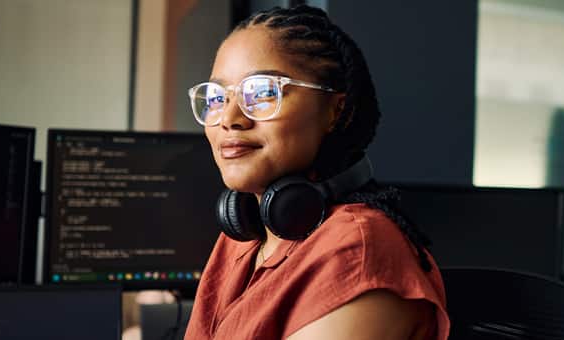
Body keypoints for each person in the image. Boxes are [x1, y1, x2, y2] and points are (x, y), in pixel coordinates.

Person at [183, 5, 449, 340]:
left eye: (263, 93)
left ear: (335, 111)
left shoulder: (357, 252)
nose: (229, 118)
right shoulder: (245, 236)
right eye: (218, 97)